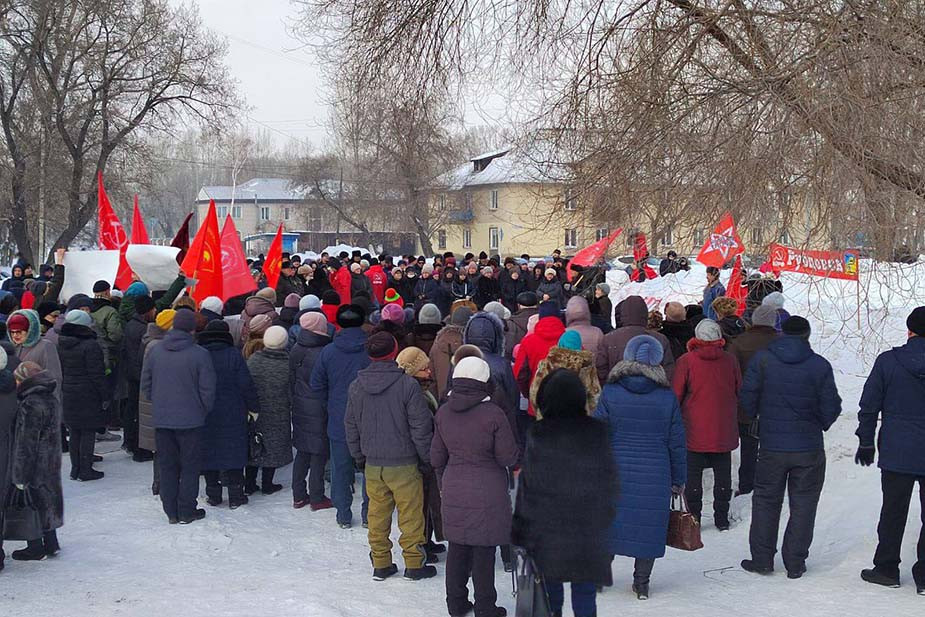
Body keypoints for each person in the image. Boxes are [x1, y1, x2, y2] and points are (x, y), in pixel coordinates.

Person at [739, 316, 841, 578]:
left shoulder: (763, 360)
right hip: (808, 447)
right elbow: (831, 406)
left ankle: (762, 559)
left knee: (765, 500)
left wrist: (754, 419)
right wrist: (818, 424)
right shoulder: (819, 366)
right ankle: (795, 562)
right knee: (804, 504)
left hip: (772, 445)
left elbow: (747, 395)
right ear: (807, 335)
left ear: (782, 332)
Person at [514, 368, 616, 617]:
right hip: (587, 530)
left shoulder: (539, 434)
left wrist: (521, 531)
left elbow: (529, 488)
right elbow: (608, 483)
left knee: (551, 599)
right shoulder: (597, 433)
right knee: (585, 598)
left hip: (549, 532)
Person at [593, 335, 686, 600]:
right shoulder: (667, 398)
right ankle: (641, 583)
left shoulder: (611, 392)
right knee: (648, 526)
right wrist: (679, 479)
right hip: (655, 472)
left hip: (615, 467)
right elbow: (677, 442)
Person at [431, 356, 518, 616]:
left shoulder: (443, 411)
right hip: (488, 489)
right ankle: (485, 608)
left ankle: (456, 605)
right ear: (484, 381)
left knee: (457, 546)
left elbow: (435, 457)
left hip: (454, 486)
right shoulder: (493, 414)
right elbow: (507, 457)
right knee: (484, 549)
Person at [345, 332, 436, 581]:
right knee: (411, 516)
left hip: (373, 462)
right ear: (394, 352)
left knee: (377, 514)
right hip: (405, 462)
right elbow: (420, 427)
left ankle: (381, 562)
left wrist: (358, 456)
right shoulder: (407, 386)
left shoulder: (356, 386)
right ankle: (415, 564)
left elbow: (351, 425)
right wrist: (427, 458)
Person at [856, 306, 925, 594]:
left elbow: (869, 405)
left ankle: (886, 568)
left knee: (893, 510)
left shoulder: (888, 361)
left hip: (897, 449)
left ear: (909, 331)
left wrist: (866, 441)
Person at [141, 309, 217, 525]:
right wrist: (202, 410)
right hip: (191, 420)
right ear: (193, 328)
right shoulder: (200, 354)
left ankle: (170, 510)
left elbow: (146, 384)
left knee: (168, 465)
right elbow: (208, 390)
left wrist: (159, 402)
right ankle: (186, 509)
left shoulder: (155, 351)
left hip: (163, 418)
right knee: (190, 466)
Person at [671, 319, 741, 530]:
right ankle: (722, 518)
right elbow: (739, 389)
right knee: (723, 475)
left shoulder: (686, 361)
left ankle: (694, 520)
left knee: (693, 477)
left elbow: (676, 394)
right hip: (723, 426)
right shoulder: (730, 361)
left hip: (694, 428)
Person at [311, 304, 371, 528]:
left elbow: (316, 384)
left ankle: (343, 514)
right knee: (370, 468)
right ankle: (368, 513)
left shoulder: (329, 351)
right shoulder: (370, 349)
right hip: (369, 415)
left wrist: (330, 402)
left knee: (340, 466)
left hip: (338, 414)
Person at [198, 320, 259, 509]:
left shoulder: (200, 354)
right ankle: (235, 495)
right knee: (234, 450)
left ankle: (213, 494)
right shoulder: (234, 354)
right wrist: (254, 407)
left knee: (208, 451)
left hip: (204, 410)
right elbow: (245, 384)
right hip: (233, 410)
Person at [7, 361, 63, 561]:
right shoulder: (50, 398)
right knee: (49, 500)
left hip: (35, 463)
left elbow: (26, 443)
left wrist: (20, 475)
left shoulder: (29, 404)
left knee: (33, 503)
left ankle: (35, 547)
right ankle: (51, 542)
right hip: (51, 459)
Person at [396, 346, 444, 561]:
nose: (429, 372)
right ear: (412, 371)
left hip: (425, 453)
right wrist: (427, 458)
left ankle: (427, 539)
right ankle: (421, 543)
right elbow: (419, 429)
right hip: (419, 456)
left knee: (429, 500)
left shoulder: (422, 390)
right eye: (424, 369)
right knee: (421, 503)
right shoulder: (414, 394)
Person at [727, 305, 779, 495]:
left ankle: (747, 484)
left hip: (746, 405)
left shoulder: (739, 342)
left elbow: (731, 374)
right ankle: (772, 482)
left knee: (748, 448)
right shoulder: (782, 343)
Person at [57, 310, 109, 481]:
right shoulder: (90, 345)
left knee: (75, 431)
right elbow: (97, 374)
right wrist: (105, 394)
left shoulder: (62, 342)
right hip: (88, 392)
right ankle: (86, 470)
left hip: (70, 391)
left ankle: (75, 469)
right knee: (88, 431)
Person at [289, 312, 333, 510]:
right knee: (318, 452)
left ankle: (298, 495)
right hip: (318, 406)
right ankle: (317, 496)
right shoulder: (323, 351)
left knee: (303, 452)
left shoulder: (296, 347)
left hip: (299, 404)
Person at [245, 326, 293, 495]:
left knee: (253, 444)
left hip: (255, 411)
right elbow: (291, 391)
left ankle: (249, 483)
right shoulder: (287, 363)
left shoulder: (253, 360)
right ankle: (267, 483)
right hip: (278, 411)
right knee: (274, 447)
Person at [595, 296, 674, 384]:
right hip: (653, 393)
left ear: (623, 314)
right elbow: (669, 371)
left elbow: (601, 370)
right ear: (644, 314)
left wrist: (609, 389)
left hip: (617, 393)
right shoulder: (660, 339)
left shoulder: (609, 339)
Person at [529, 330, 601, 417]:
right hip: (578, 420)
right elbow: (595, 396)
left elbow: (535, 393)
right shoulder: (586, 367)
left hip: (549, 418)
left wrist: (540, 412)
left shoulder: (548, 363)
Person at [514, 301, 565, 419]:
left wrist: (528, 393)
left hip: (537, 399)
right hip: (566, 401)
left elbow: (520, 373)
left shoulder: (528, 341)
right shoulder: (569, 338)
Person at [122, 295, 156, 460]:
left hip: (132, 372)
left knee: (132, 410)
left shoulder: (131, 324)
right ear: (148, 311)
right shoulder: (142, 329)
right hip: (139, 374)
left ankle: (130, 442)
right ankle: (138, 447)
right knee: (138, 412)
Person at [429, 306, 472, 400]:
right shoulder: (471, 347)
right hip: (466, 403)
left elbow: (432, 377)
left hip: (442, 403)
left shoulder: (438, 343)